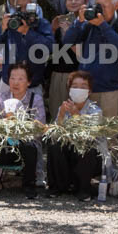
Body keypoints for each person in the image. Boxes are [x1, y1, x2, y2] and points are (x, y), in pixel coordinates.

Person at [60, 0, 118, 118]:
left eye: (105, 6)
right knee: (82, 133)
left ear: (116, 5)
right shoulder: (89, 22)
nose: (101, 10)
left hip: (109, 91)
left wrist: (102, 25)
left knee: (108, 134)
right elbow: (67, 42)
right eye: (98, 6)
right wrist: (79, 21)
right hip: (84, 91)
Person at [0, 62, 45, 199]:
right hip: (5, 142)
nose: (15, 82)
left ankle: (29, 186)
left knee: (30, 147)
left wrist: (21, 127)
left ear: (29, 82)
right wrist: (4, 122)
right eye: (12, 78)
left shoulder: (35, 100)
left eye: (20, 79)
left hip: (26, 143)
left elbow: (40, 128)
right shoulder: (1, 98)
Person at [46, 71, 105, 201]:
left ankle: (83, 189)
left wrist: (76, 114)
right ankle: (56, 187)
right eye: (75, 86)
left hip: (90, 155)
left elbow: (90, 134)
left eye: (83, 87)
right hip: (68, 150)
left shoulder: (95, 110)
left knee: (87, 147)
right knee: (54, 143)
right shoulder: (64, 107)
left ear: (89, 91)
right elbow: (57, 132)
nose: (79, 89)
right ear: (69, 89)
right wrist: (61, 115)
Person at [0, 0, 53, 103]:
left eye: (27, 7)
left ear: (34, 7)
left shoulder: (42, 24)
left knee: (32, 120)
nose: (23, 11)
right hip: (8, 84)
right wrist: (2, 28)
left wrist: (28, 32)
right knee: (3, 119)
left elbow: (49, 48)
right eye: (19, 7)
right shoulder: (12, 23)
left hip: (33, 84)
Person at [48, 0, 87, 118]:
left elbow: (84, 55)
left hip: (78, 77)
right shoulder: (60, 20)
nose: (73, 2)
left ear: (85, 1)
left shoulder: (88, 23)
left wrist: (68, 34)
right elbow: (51, 51)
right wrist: (53, 31)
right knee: (57, 116)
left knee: (77, 117)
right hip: (58, 74)